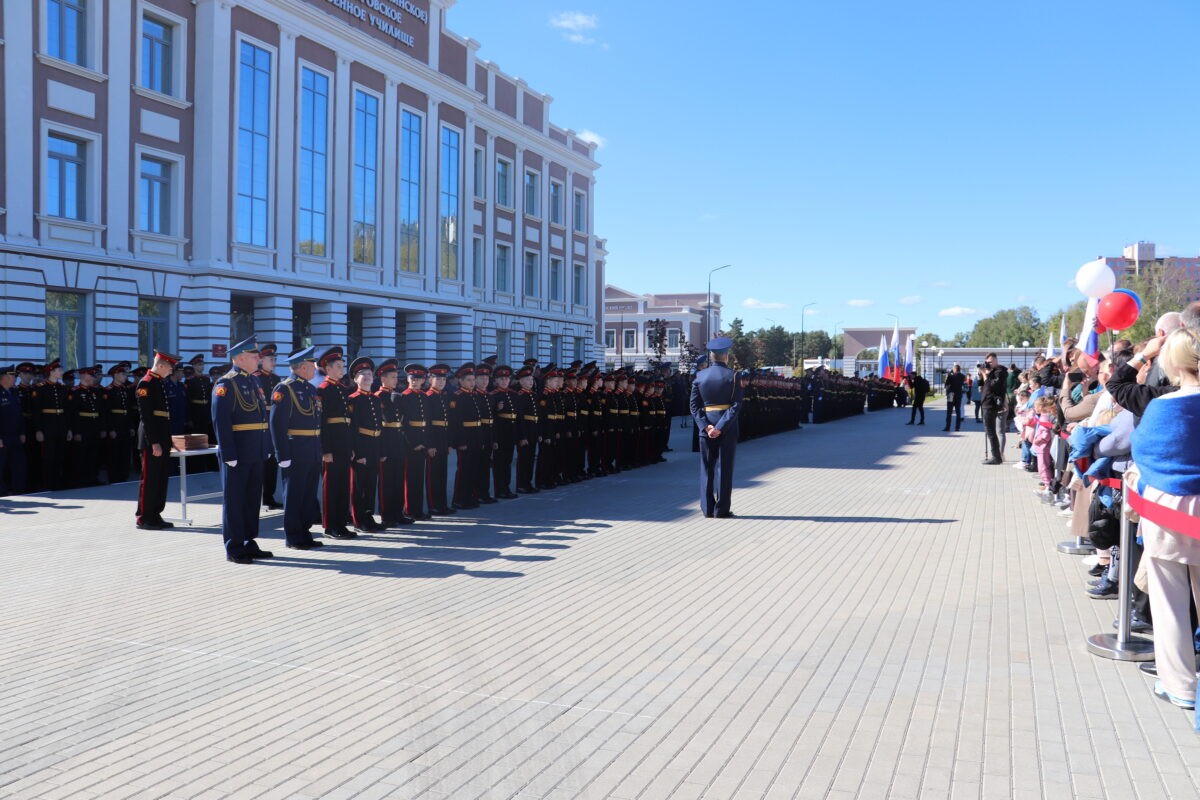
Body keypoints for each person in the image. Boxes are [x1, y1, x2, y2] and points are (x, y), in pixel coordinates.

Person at [1129, 328, 1200, 709]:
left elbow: (1145, 454)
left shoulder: (1164, 405)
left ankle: (1181, 686)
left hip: (1169, 510)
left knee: (1170, 602)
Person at [211, 336, 273, 564]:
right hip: (237, 454)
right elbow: (222, 422)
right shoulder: (226, 384)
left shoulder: (253, 382)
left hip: (255, 451)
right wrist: (229, 454)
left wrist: (265, 447)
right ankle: (234, 546)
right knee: (235, 501)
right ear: (240, 358)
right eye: (254, 355)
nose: (259, 358)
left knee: (251, 499)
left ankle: (249, 541)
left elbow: (261, 417)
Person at [268, 347, 324, 550]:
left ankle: (305, 532)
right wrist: (281, 454)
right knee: (294, 495)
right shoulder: (284, 389)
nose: (315, 371)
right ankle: (293, 536)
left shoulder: (310, 389)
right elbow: (276, 424)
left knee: (309, 495)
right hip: (296, 451)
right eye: (312, 367)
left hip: (312, 450)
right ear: (301, 367)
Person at [689, 336, 743, 518]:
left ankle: (707, 508)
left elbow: (694, 407)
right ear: (726, 356)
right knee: (724, 468)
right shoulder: (734, 376)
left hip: (706, 429)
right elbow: (736, 405)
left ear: (711, 357)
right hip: (726, 428)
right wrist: (719, 427)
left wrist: (706, 427)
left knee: (707, 468)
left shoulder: (699, 376)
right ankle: (721, 509)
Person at [134, 351, 179, 530]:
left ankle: (155, 514)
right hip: (151, 439)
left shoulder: (158, 382)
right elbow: (146, 417)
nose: (171, 371)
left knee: (161, 479)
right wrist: (154, 442)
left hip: (161, 438)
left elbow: (162, 417)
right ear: (160, 365)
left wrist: (167, 440)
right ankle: (144, 517)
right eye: (169, 367)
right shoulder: (146, 383)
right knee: (150, 479)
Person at [317, 347, 355, 540]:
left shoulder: (342, 389)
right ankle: (331, 525)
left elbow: (347, 422)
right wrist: (325, 450)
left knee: (342, 485)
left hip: (344, 444)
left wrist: (350, 448)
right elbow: (322, 423)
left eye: (342, 366)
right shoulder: (323, 390)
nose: (342, 369)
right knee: (332, 486)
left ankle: (341, 523)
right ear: (328, 368)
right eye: (338, 366)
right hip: (332, 445)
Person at [375, 358, 414, 528]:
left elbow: (403, 421)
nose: (395, 380)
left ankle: (398, 513)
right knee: (387, 482)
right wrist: (381, 450)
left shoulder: (397, 396)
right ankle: (386, 515)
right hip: (386, 443)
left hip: (398, 442)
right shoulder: (377, 397)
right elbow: (378, 426)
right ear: (382, 378)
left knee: (398, 480)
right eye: (391, 377)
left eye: (396, 377)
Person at [347, 357, 383, 533]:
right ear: (355, 379)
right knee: (359, 486)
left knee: (370, 485)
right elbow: (353, 428)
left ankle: (369, 517)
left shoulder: (375, 399)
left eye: (369, 374)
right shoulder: (353, 400)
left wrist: (381, 450)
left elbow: (379, 427)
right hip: (362, 446)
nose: (367, 377)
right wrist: (358, 452)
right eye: (362, 374)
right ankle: (358, 519)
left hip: (374, 445)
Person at [397, 364, 430, 520]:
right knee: (410, 478)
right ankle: (409, 509)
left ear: (423, 380)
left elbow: (426, 422)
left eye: (418, 379)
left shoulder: (423, 396)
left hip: (422, 441)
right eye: (412, 379)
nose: (415, 382)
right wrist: (413, 443)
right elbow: (403, 424)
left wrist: (425, 442)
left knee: (419, 478)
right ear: (408, 379)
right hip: (410, 444)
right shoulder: (404, 396)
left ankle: (418, 509)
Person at [32, 361, 69, 491]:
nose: (61, 372)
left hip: (60, 426)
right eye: (59, 370)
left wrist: (68, 429)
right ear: (52, 372)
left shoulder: (63, 388)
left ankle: (58, 482)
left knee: (60, 455)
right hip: (48, 426)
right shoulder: (40, 388)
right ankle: (48, 484)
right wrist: (38, 430)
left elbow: (67, 410)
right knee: (49, 457)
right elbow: (36, 411)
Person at [255, 343, 283, 510]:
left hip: (274, 426)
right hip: (261, 425)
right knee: (261, 463)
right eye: (270, 359)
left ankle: (269, 496)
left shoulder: (276, 379)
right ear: (261, 360)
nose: (274, 362)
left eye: (274, 359)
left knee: (272, 463)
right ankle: (260, 495)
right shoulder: (256, 377)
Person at [424, 364, 454, 515]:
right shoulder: (428, 397)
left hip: (443, 440)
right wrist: (429, 445)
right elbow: (427, 423)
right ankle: (433, 505)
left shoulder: (444, 396)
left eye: (443, 379)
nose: (442, 381)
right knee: (433, 475)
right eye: (438, 379)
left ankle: (442, 504)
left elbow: (447, 422)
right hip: (434, 441)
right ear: (430, 379)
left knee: (442, 474)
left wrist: (448, 443)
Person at [0, 365, 27, 495]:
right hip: (3, 436)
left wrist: (22, 432)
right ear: (4, 377)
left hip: (15, 435)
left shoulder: (14, 392)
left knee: (18, 464)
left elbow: (19, 414)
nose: (15, 378)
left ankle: (18, 489)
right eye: (12, 376)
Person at [980, 353, 1008, 464]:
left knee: (991, 431)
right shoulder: (991, 371)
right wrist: (982, 374)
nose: (989, 364)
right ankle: (996, 456)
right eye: (988, 362)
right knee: (989, 430)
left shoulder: (1000, 371)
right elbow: (982, 384)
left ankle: (996, 457)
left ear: (996, 360)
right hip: (987, 403)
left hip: (991, 404)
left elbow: (992, 386)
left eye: (991, 362)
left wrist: (985, 374)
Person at [943, 364, 966, 431]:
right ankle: (957, 427)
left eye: (953, 369)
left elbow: (946, 384)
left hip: (951, 394)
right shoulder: (962, 376)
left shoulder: (951, 376)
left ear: (955, 369)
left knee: (949, 412)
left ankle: (948, 427)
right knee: (958, 411)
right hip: (958, 394)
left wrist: (948, 376)